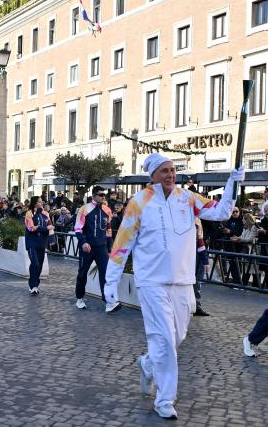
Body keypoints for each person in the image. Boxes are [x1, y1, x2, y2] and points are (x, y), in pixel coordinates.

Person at [104, 153, 243, 420]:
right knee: (165, 339)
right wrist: (111, 281)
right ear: (153, 175)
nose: (171, 174)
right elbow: (122, 243)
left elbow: (222, 211)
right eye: (165, 170)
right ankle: (165, 398)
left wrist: (233, 184)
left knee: (176, 338)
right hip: (151, 282)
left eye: (173, 170)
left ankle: (147, 363)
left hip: (182, 282)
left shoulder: (187, 198)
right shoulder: (139, 202)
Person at [74, 186, 119, 312]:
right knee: (82, 273)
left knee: (105, 274)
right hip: (87, 247)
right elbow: (78, 228)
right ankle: (79, 298)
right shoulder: (84, 209)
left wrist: (109, 248)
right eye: (100, 195)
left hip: (102, 248)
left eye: (104, 195)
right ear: (94, 195)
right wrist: (83, 242)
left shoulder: (107, 210)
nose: (103, 197)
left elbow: (108, 230)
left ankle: (109, 303)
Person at [24, 196, 54, 294]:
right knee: (35, 263)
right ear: (35, 203)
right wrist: (44, 229)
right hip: (32, 243)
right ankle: (32, 285)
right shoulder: (29, 214)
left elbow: (51, 226)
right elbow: (31, 228)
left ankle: (35, 285)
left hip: (42, 243)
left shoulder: (46, 214)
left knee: (39, 265)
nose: (42, 203)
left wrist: (51, 238)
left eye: (42, 202)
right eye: (40, 202)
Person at [193, 218, 210, 316]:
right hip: (183, 255)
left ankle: (196, 306)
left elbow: (200, 241)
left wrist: (205, 261)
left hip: (196, 254)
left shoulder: (197, 220)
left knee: (197, 281)